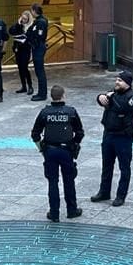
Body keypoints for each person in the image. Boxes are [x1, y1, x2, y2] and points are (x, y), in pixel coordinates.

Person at [31, 84, 84, 222]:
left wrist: (41, 149)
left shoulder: (45, 113)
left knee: (52, 182)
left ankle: (54, 213)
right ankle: (72, 210)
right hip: (66, 151)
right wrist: (75, 144)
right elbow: (80, 132)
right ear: (63, 95)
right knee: (69, 180)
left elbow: (35, 134)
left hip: (50, 151)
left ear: (51, 97)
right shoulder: (71, 112)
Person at [91, 70, 133, 207]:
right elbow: (103, 100)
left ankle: (120, 196)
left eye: (120, 80)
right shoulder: (114, 93)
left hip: (123, 137)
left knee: (124, 167)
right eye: (116, 80)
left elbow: (122, 108)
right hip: (108, 134)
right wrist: (100, 97)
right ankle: (104, 191)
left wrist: (110, 98)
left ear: (127, 83)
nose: (116, 82)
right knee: (106, 165)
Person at [27, 3, 48, 101]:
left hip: (38, 47)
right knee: (38, 71)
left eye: (32, 11)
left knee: (40, 71)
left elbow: (39, 35)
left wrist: (32, 40)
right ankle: (41, 92)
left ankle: (42, 94)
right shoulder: (38, 21)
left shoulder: (41, 22)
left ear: (35, 11)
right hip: (37, 47)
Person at [9, 10, 34, 95]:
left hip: (26, 49)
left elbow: (31, 38)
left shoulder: (31, 27)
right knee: (20, 68)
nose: (23, 20)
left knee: (24, 67)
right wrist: (18, 23)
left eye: (25, 19)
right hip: (18, 49)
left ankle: (30, 86)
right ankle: (23, 86)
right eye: (22, 18)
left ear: (28, 19)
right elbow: (11, 31)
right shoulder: (19, 25)